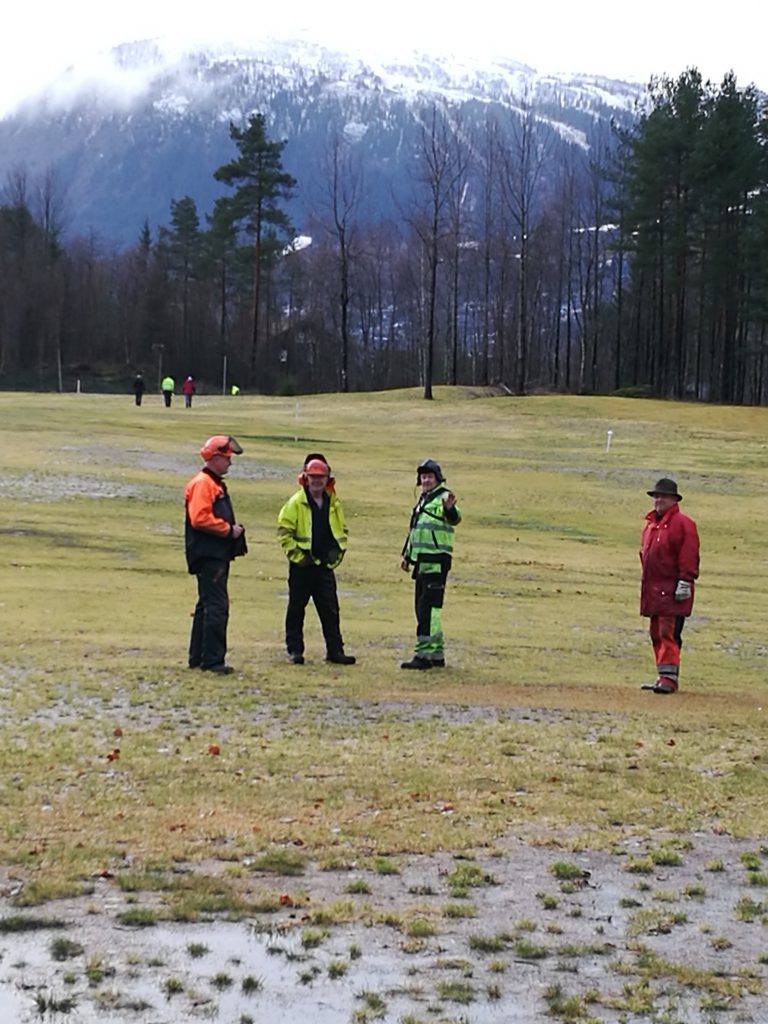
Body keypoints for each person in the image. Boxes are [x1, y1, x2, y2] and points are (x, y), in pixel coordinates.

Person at [277, 454, 355, 665]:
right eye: (313, 477)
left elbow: (342, 529)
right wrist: (298, 557)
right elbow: (284, 533)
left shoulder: (333, 503)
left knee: (330, 610)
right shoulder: (296, 503)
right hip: (302, 567)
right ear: (306, 478)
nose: (317, 481)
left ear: (328, 479)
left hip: (324, 566)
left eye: (321, 477)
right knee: (296, 609)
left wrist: (337, 553)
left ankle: (335, 651)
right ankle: (295, 650)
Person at [185, 435, 248, 674]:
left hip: (210, 553)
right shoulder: (204, 483)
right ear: (215, 458)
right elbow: (200, 519)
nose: (230, 463)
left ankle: (198, 657)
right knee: (217, 606)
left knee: (206, 605)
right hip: (209, 553)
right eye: (227, 458)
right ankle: (212, 660)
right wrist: (228, 530)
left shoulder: (211, 483)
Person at [639, 478, 700, 694]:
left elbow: (689, 555)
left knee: (669, 634)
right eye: (656, 496)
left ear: (674, 499)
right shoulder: (651, 525)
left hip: (672, 590)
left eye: (663, 496)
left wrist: (685, 581)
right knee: (656, 632)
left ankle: (669, 679)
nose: (658, 500)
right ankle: (662, 676)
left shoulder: (683, 524)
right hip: (654, 590)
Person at [400, 459, 461, 669]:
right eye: (423, 477)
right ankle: (436, 654)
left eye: (429, 476)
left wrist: (450, 510)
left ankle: (423, 656)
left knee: (428, 609)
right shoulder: (423, 500)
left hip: (436, 562)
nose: (426, 480)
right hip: (423, 562)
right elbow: (416, 530)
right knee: (424, 607)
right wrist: (407, 556)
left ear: (437, 478)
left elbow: (455, 518)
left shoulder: (444, 497)